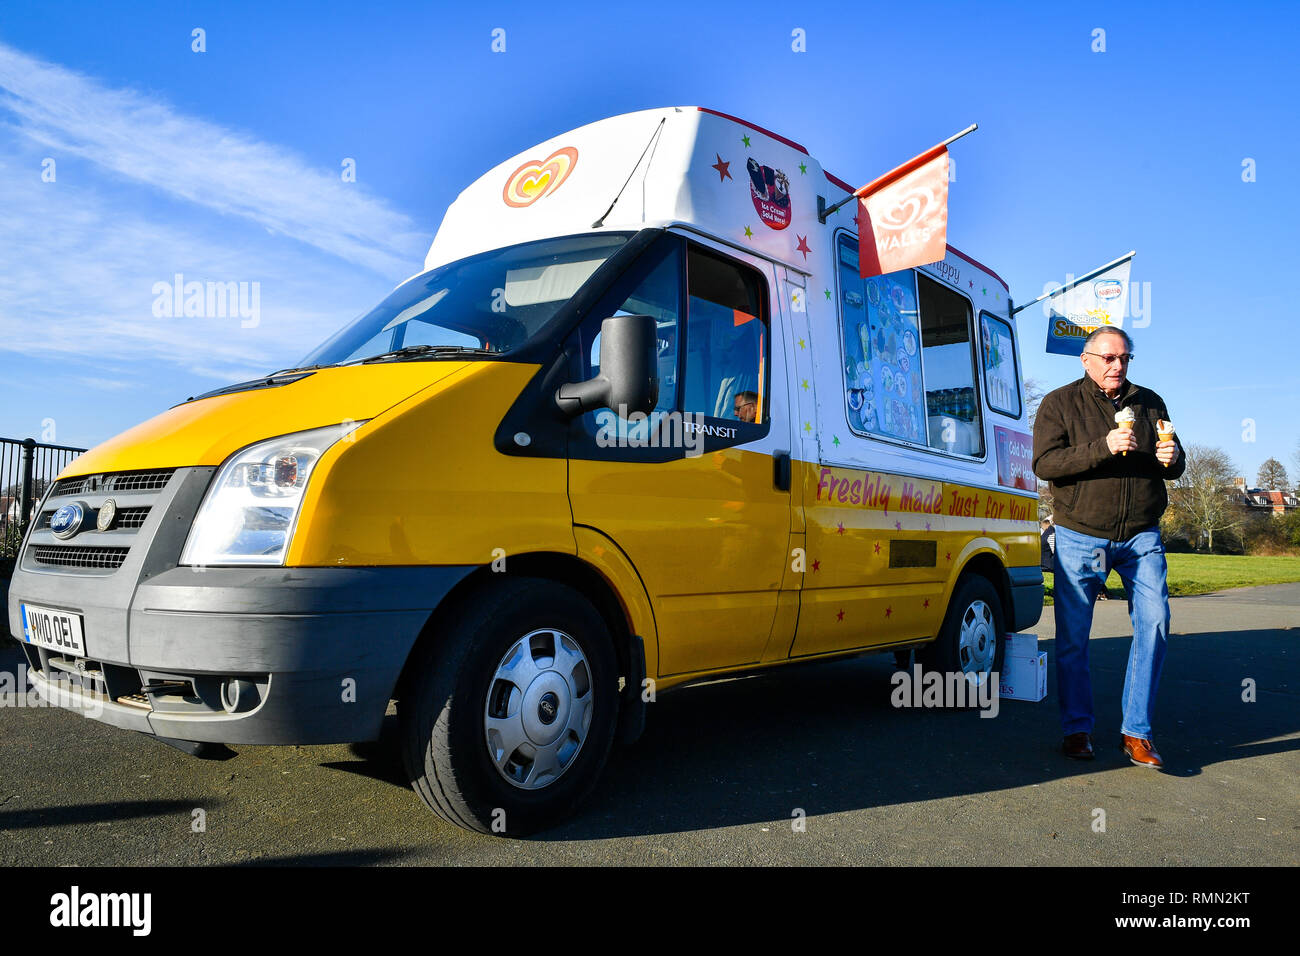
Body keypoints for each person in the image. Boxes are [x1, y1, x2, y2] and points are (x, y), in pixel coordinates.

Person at [1031, 326, 1183, 769]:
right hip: (1080, 532)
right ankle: (1077, 729)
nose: (1118, 366)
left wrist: (1174, 461)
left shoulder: (1149, 401)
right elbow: (1045, 463)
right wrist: (1103, 447)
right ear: (1086, 359)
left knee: (1155, 622)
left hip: (1141, 533)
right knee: (1074, 638)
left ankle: (1137, 732)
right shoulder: (1059, 403)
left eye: (1125, 359)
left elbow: (1174, 458)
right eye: (1108, 358)